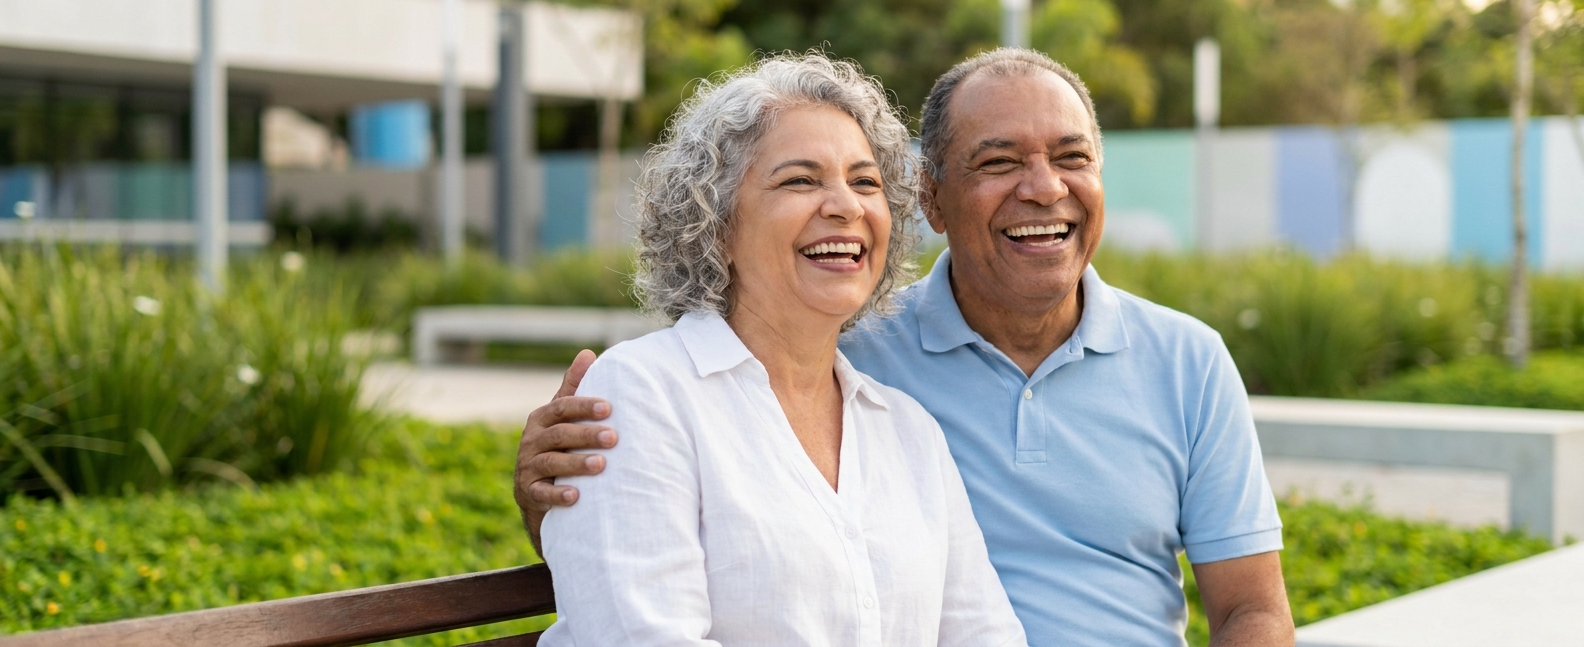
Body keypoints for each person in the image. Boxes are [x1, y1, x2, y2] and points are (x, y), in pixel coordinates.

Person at [517, 48, 1294, 646]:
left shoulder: (896, 421)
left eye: (862, 183)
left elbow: (988, 632)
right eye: (798, 181)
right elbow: (629, 580)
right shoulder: (672, 390)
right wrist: (554, 497)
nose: (1044, 188)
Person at [533, 53, 1028, 647]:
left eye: (865, 181)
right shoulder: (641, 392)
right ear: (714, 223)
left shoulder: (909, 430)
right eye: (800, 179)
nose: (847, 205)